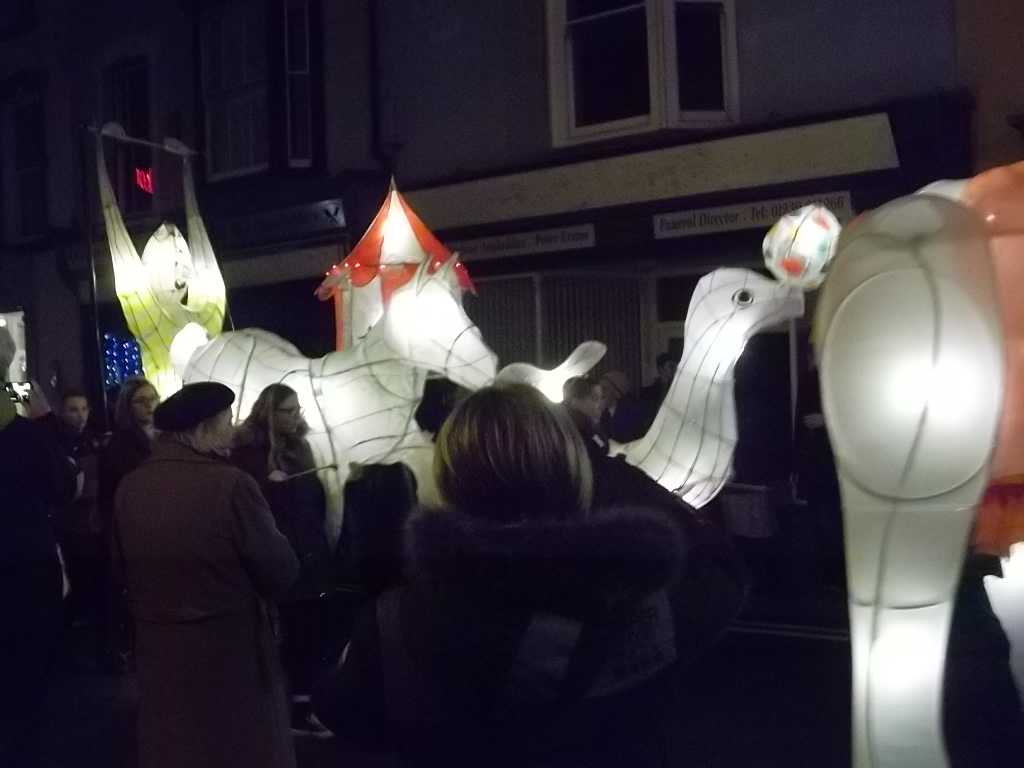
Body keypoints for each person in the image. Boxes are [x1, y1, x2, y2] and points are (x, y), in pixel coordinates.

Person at [313, 383, 747, 768]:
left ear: (448, 478)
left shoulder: (392, 620)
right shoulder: (640, 608)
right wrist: (617, 476)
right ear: (574, 467)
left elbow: (345, 713)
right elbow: (723, 568)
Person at [115, 382, 300, 768]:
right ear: (202, 429)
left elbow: (120, 569)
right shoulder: (231, 486)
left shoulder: (130, 487)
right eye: (226, 422)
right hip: (228, 651)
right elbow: (280, 569)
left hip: (158, 650)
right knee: (235, 746)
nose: (232, 431)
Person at [233, 383, 334, 735]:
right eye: (287, 410)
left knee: (306, 629)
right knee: (278, 631)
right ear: (269, 412)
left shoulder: (300, 447)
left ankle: (301, 704)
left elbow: (313, 501)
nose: (295, 417)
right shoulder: (248, 452)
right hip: (273, 551)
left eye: (297, 410)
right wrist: (268, 484)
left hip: (306, 548)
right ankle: (271, 706)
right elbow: (244, 505)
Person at [0, 387, 79, 768]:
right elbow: (63, 487)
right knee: (24, 680)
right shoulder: (28, 437)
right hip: (25, 568)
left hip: (24, 569)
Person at [96, 376, 159, 672]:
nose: (150, 406)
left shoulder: (160, 436)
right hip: (134, 527)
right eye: (142, 401)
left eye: (153, 399)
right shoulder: (121, 443)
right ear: (128, 406)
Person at [562, 375, 607, 455]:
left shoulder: (588, 425)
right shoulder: (578, 429)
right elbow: (601, 451)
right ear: (575, 401)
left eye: (601, 398)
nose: (601, 404)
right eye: (595, 398)